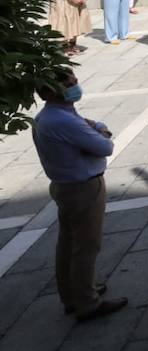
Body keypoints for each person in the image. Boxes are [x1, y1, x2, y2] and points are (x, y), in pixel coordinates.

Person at [32, 67, 127, 321]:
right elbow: (105, 145)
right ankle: (88, 302)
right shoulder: (64, 120)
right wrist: (101, 127)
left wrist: (92, 126)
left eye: (75, 81)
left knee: (68, 243)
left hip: (64, 185)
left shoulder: (47, 117)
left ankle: (72, 295)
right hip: (83, 187)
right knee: (86, 245)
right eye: (70, 84)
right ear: (51, 92)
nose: (75, 87)